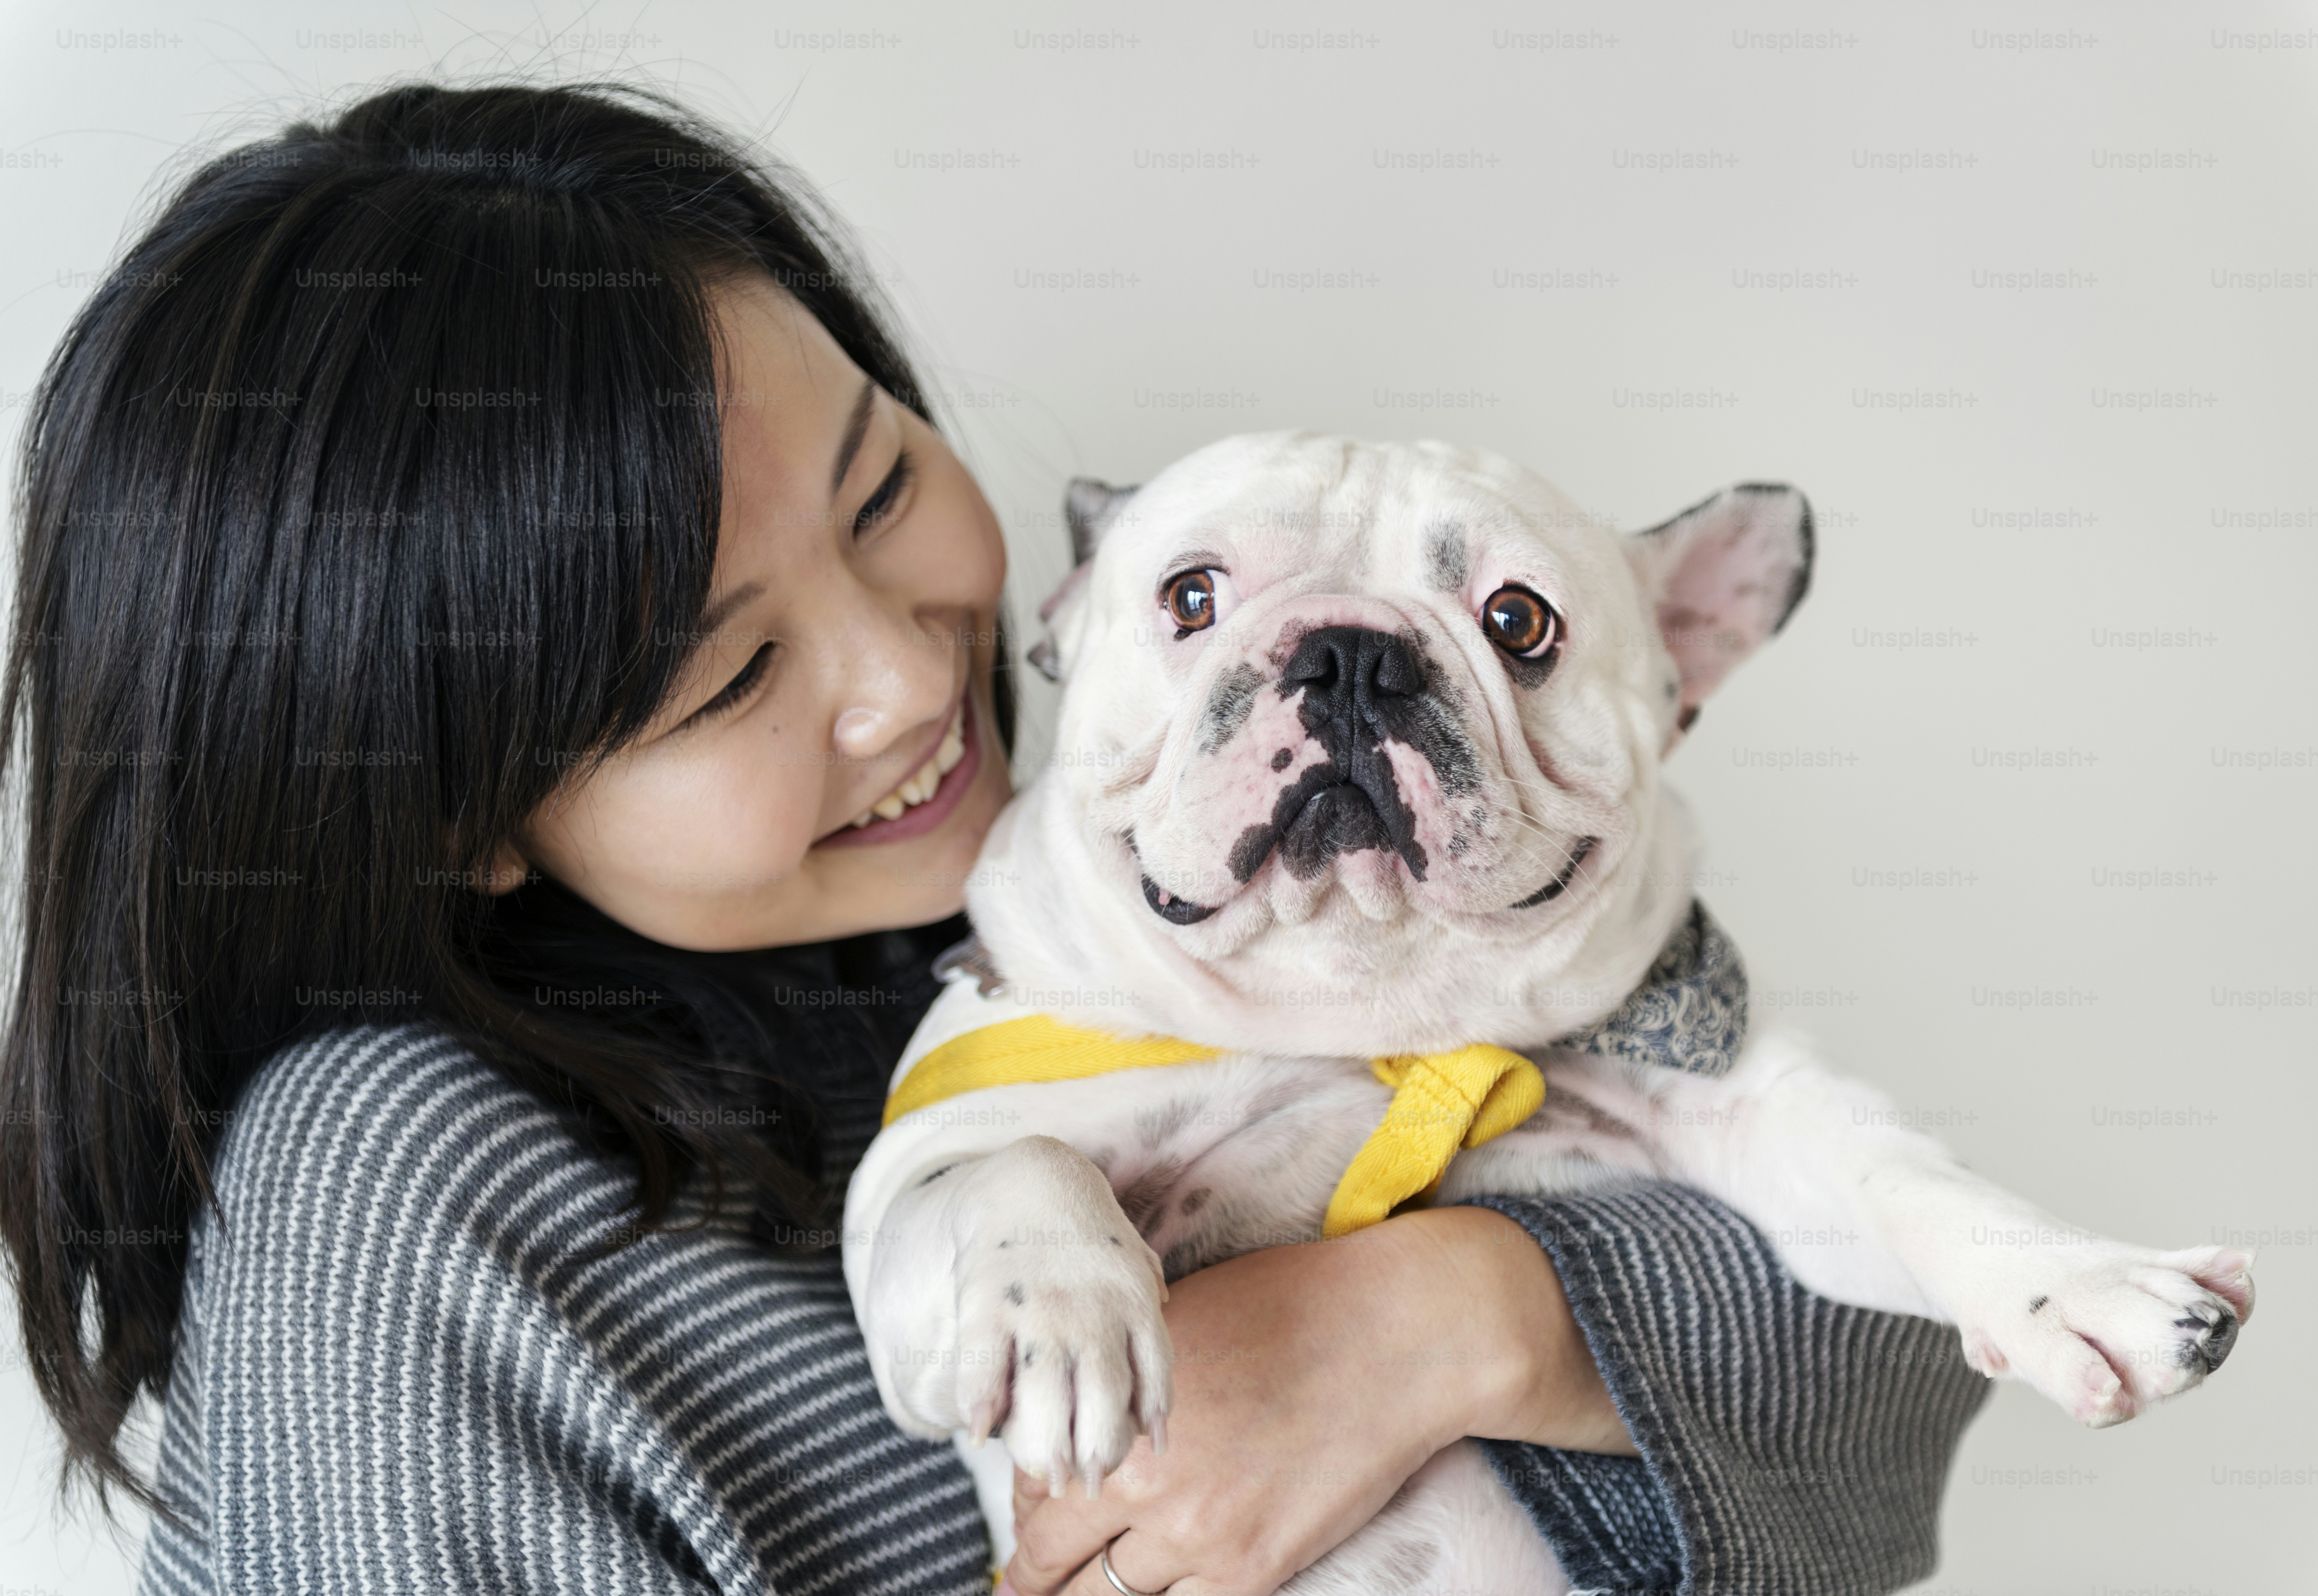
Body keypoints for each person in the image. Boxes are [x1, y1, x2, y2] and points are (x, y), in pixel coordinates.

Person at [0, 82, 1987, 1596]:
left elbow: (1903, 1404)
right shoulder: (409, 1202)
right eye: (727, 678)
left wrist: (1439, 1324)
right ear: (462, 818)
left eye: (877, 488)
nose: (902, 671)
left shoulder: (1230, 872)